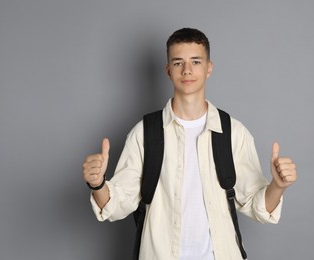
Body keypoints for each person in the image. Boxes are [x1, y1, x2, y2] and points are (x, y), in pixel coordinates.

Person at [82, 28, 297, 260]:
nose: (187, 70)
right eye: (178, 63)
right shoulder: (145, 133)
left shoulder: (233, 132)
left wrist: (278, 185)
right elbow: (117, 205)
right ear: (168, 70)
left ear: (209, 68)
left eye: (196, 61)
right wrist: (98, 184)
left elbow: (257, 206)